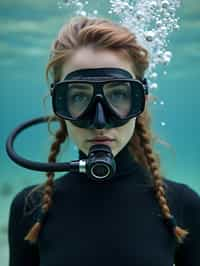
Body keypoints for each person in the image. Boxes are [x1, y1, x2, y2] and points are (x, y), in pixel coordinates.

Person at [8, 16, 200, 266]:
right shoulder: (29, 208)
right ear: (59, 104)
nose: (100, 121)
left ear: (140, 100)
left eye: (118, 93)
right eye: (78, 96)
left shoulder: (184, 204)